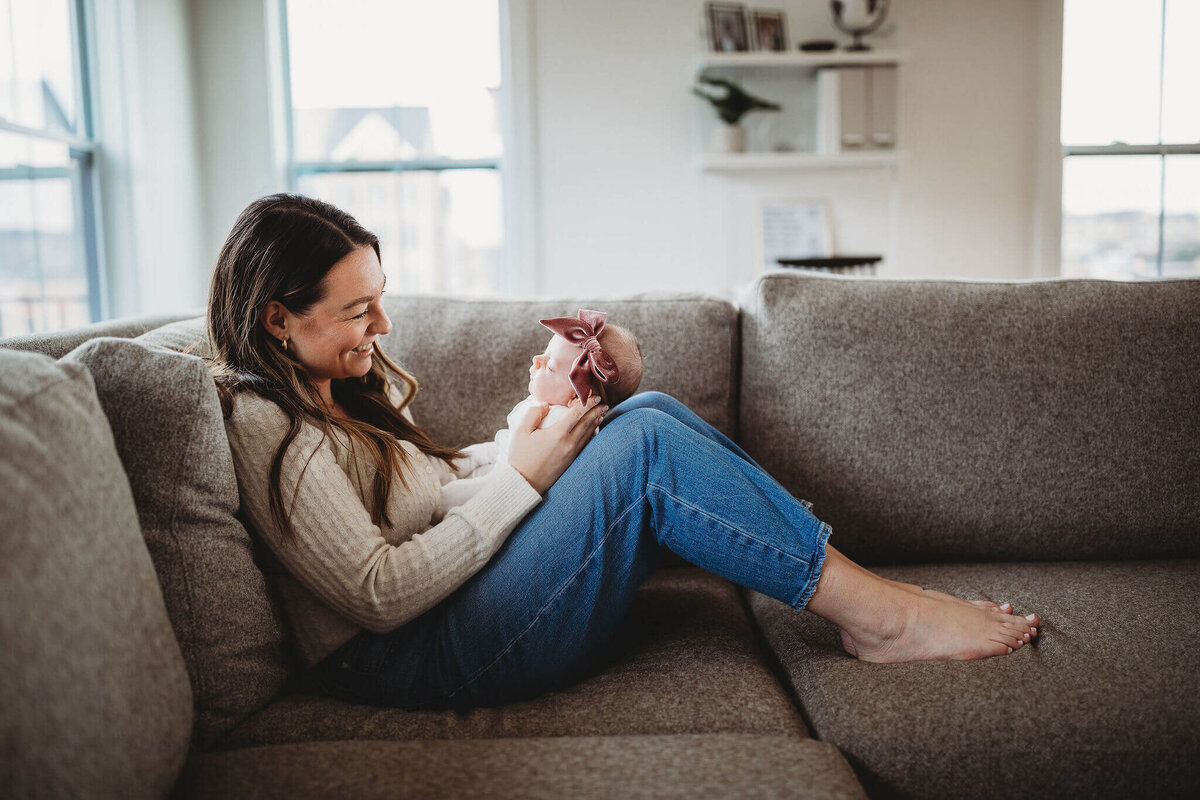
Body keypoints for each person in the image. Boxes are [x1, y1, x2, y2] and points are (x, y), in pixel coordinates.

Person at [209, 194, 1039, 712]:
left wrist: (539, 431)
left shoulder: (339, 392)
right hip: (408, 659)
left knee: (637, 410)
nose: (383, 328)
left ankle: (857, 593)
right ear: (279, 317)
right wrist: (525, 478)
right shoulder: (266, 425)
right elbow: (378, 594)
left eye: (379, 302)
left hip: (447, 617)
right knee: (644, 442)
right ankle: (883, 618)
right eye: (360, 311)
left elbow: (434, 493)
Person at [438, 309, 644, 517]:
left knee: (449, 496)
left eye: (551, 366)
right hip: (503, 460)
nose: (537, 359)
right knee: (469, 458)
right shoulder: (551, 406)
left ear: (579, 399)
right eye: (545, 352)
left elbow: (508, 480)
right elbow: (503, 444)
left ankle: (438, 504)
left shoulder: (558, 423)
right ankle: (440, 473)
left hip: (506, 492)